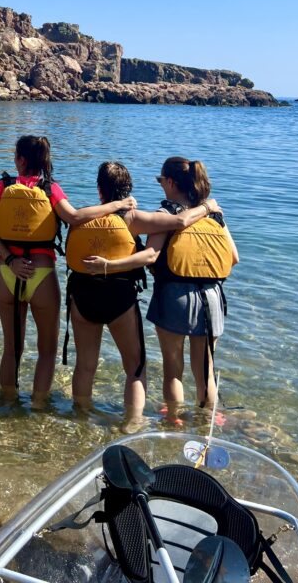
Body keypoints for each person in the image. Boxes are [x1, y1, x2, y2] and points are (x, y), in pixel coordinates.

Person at [0, 135, 136, 402]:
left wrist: (8, 259)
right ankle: (39, 406)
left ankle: (7, 400)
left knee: (11, 349)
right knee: (47, 351)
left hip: (8, 274)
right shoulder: (50, 188)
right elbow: (74, 217)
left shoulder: (3, 185)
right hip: (41, 274)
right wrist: (118, 205)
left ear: (20, 159)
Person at [64, 160, 221, 424]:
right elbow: (179, 221)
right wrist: (208, 207)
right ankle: (133, 424)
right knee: (135, 368)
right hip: (119, 297)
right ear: (128, 190)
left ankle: (81, 419)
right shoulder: (133, 218)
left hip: (82, 295)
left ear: (100, 190)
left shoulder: (82, 216)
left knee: (85, 365)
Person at [146, 156, 239, 410]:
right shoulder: (216, 216)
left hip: (173, 296)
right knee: (205, 372)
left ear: (172, 182)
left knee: (173, 371)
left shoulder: (165, 213)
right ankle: (205, 423)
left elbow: (151, 255)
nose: (161, 186)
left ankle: (174, 421)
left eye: (162, 181)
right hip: (212, 298)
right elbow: (234, 258)